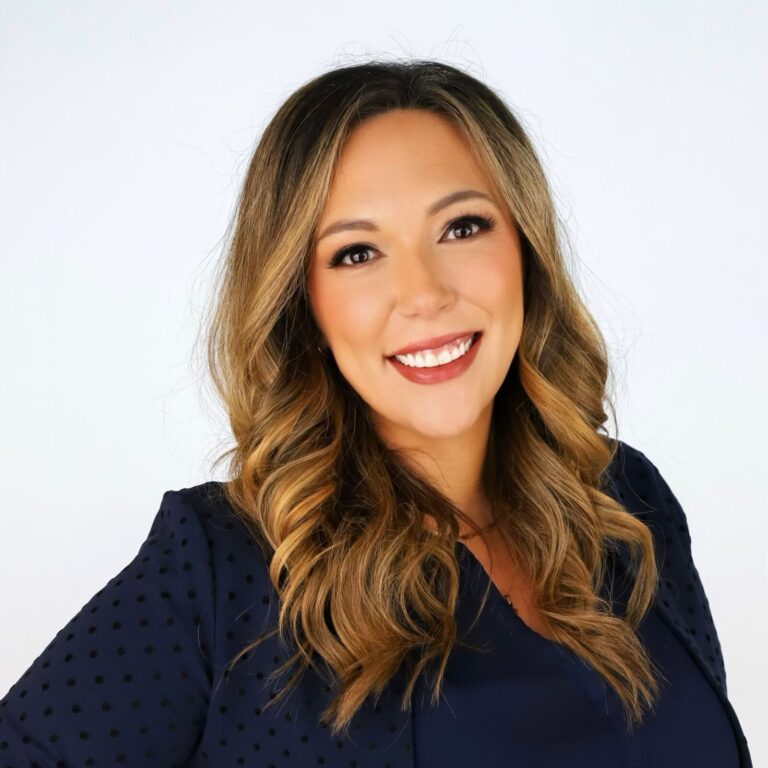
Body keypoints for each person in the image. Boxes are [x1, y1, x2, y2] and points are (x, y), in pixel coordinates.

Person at [0, 59, 752, 767]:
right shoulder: (224, 570)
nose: (423, 293)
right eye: (357, 253)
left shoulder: (626, 503)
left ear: (525, 248)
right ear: (304, 307)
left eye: (462, 227)